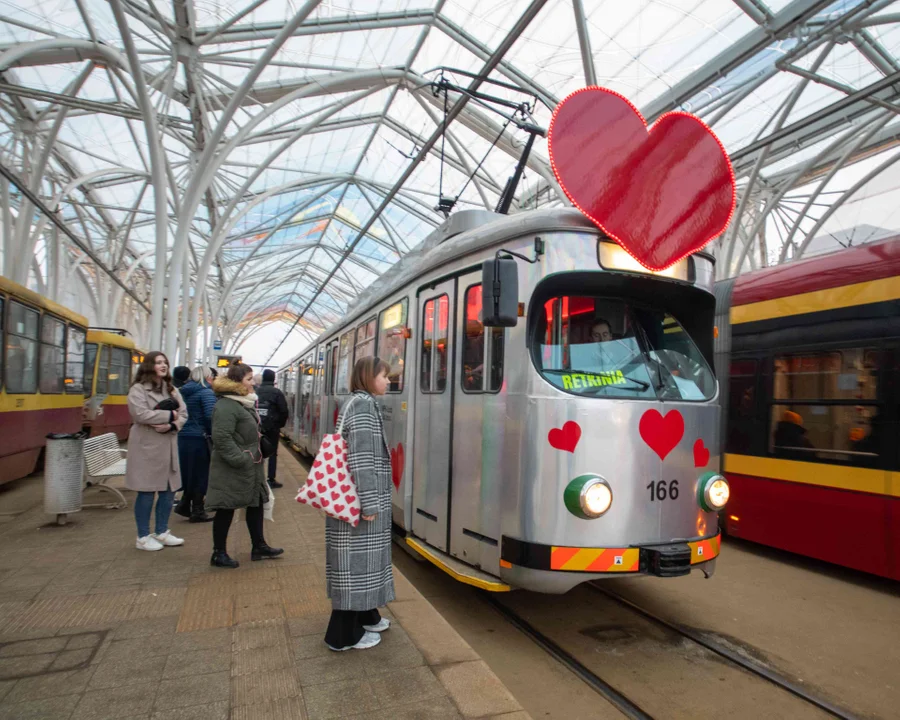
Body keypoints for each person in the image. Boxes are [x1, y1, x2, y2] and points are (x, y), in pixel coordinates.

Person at [324, 356, 395, 651]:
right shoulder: (364, 406)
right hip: (358, 502)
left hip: (353, 499)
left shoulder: (357, 402)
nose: (389, 381)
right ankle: (342, 635)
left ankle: (367, 614)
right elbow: (362, 461)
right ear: (368, 378)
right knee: (355, 567)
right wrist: (368, 504)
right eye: (384, 376)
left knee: (363, 564)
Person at [206, 363, 284, 568]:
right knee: (226, 508)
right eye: (249, 379)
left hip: (251, 464)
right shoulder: (226, 406)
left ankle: (259, 545)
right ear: (237, 381)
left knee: (255, 503)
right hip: (234, 466)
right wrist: (241, 459)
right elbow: (222, 438)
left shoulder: (241, 402)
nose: (253, 383)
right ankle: (218, 553)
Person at [125, 351, 188, 552]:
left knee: (169, 492)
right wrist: (170, 414)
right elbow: (140, 414)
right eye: (158, 362)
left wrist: (173, 425)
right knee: (146, 492)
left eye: (165, 362)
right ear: (149, 366)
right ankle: (142, 536)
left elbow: (184, 413)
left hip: (168, 446)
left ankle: (161, 531)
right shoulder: (138, 390)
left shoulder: (172, 390)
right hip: (147, 448)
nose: (163, 365)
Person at [173, 366, 217, 523]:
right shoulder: (206, 392)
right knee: (201, 474)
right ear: (207, 376)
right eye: (211, 376)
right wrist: (215, 435)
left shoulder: (182, 391)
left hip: (183, 437)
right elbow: (210, 416)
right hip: (200, 438)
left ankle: (185, 505)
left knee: (190, 474)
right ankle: (197, 510)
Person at [256, 369, 289, 489]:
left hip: (256, 427)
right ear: (274, 379)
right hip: (272, 428)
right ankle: (271, 479)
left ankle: (257, 478)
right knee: (272, 453)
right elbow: (284, 411)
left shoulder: (256, 391)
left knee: (256, 451)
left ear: (263, 378)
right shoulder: (277, 393)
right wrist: (279, 425)